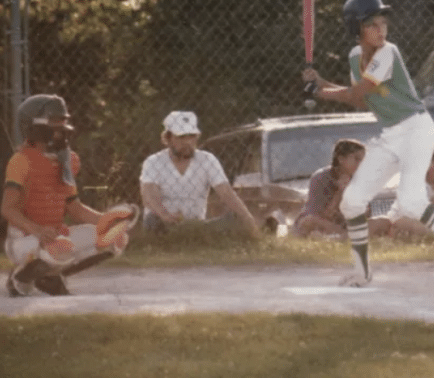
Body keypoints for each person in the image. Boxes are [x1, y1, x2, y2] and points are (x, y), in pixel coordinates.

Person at [302, 0, 434, 294]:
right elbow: (362, 102)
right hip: (391, 134)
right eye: (372, 24)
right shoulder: (354, 57)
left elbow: (357, 93)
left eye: (383, 22)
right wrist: (319, 83)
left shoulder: (388, 52)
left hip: (416, 129)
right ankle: (362, 274)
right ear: (357, 29)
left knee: (413, 201)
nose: (381, 29)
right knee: (352, 200)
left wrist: (319, 91)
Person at [2, 94, 133, 296]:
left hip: (55, 235)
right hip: (23, 239)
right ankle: (20, 278)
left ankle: (49, 277)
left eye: (64, 120)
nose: (62, 126)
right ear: (33, 125)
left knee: (115, 240)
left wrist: (106, 220)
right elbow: (7, 208)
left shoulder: (66, 159)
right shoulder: (21, 161)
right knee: (60, 247)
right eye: (55, 121)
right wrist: (36, 230)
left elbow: (76, 209)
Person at [140, 111, 259, 238]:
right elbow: (149, 194)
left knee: (234, 219)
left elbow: (225, 191)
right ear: (168, 138)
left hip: (197, 227)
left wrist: (248, 219)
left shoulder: (207, 160)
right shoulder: (153, 162)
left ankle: (197, 238)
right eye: (181, 137)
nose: (187, 142)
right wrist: (165, 215)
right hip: (164, 224)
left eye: (191, 136)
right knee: (152, 219)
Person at [293, 139, 365, 239]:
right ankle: (344, 238)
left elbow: (364, 217)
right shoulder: (320, 178)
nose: (361, 164)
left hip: (346, 227)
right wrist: (340, 192)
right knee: (308, 221)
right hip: (323, 224)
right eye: (357, 159)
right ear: (341, 159)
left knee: (382, 221)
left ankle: (340, 238)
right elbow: (321, 215)